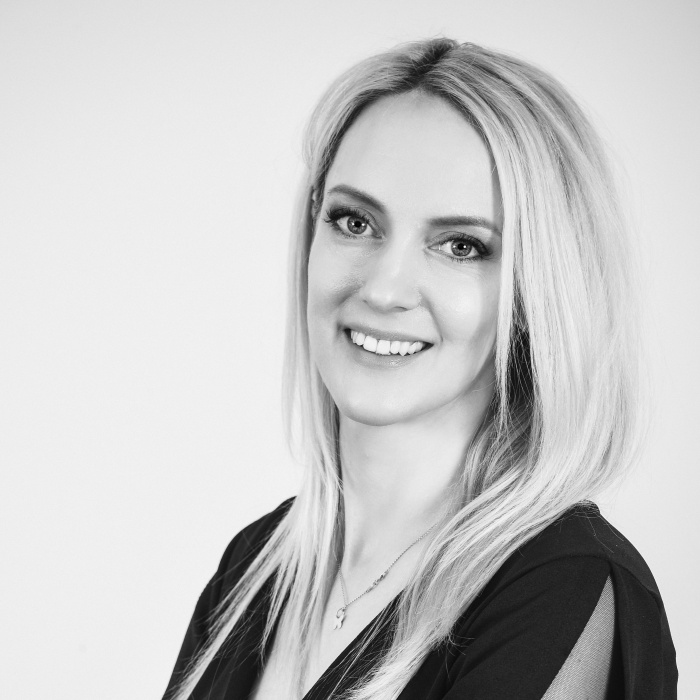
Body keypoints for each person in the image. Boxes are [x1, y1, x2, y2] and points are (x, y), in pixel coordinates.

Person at [162, 38, 677, 700]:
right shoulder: (253, 568)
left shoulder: (560, 589)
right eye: (355, 221)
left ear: (537, 290)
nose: (383, 289)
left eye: (460, 245)